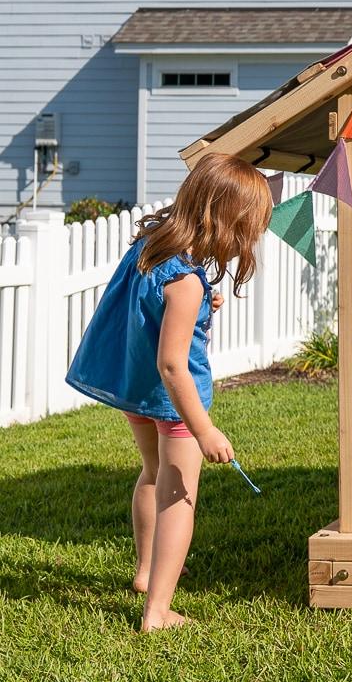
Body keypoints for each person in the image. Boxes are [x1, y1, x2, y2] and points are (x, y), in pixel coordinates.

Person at [65, 154, 273, 630]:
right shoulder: (186, 282)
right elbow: (173, 363)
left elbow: (154, 306)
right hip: (174, 401)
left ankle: (144, 573)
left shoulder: (153, 247)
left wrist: (203, 297)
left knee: (152, 474)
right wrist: (204, 428)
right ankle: (157, 610)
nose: (251, 238)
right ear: (228, 220)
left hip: (136, 390)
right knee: (178, 495)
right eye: (250, 226)